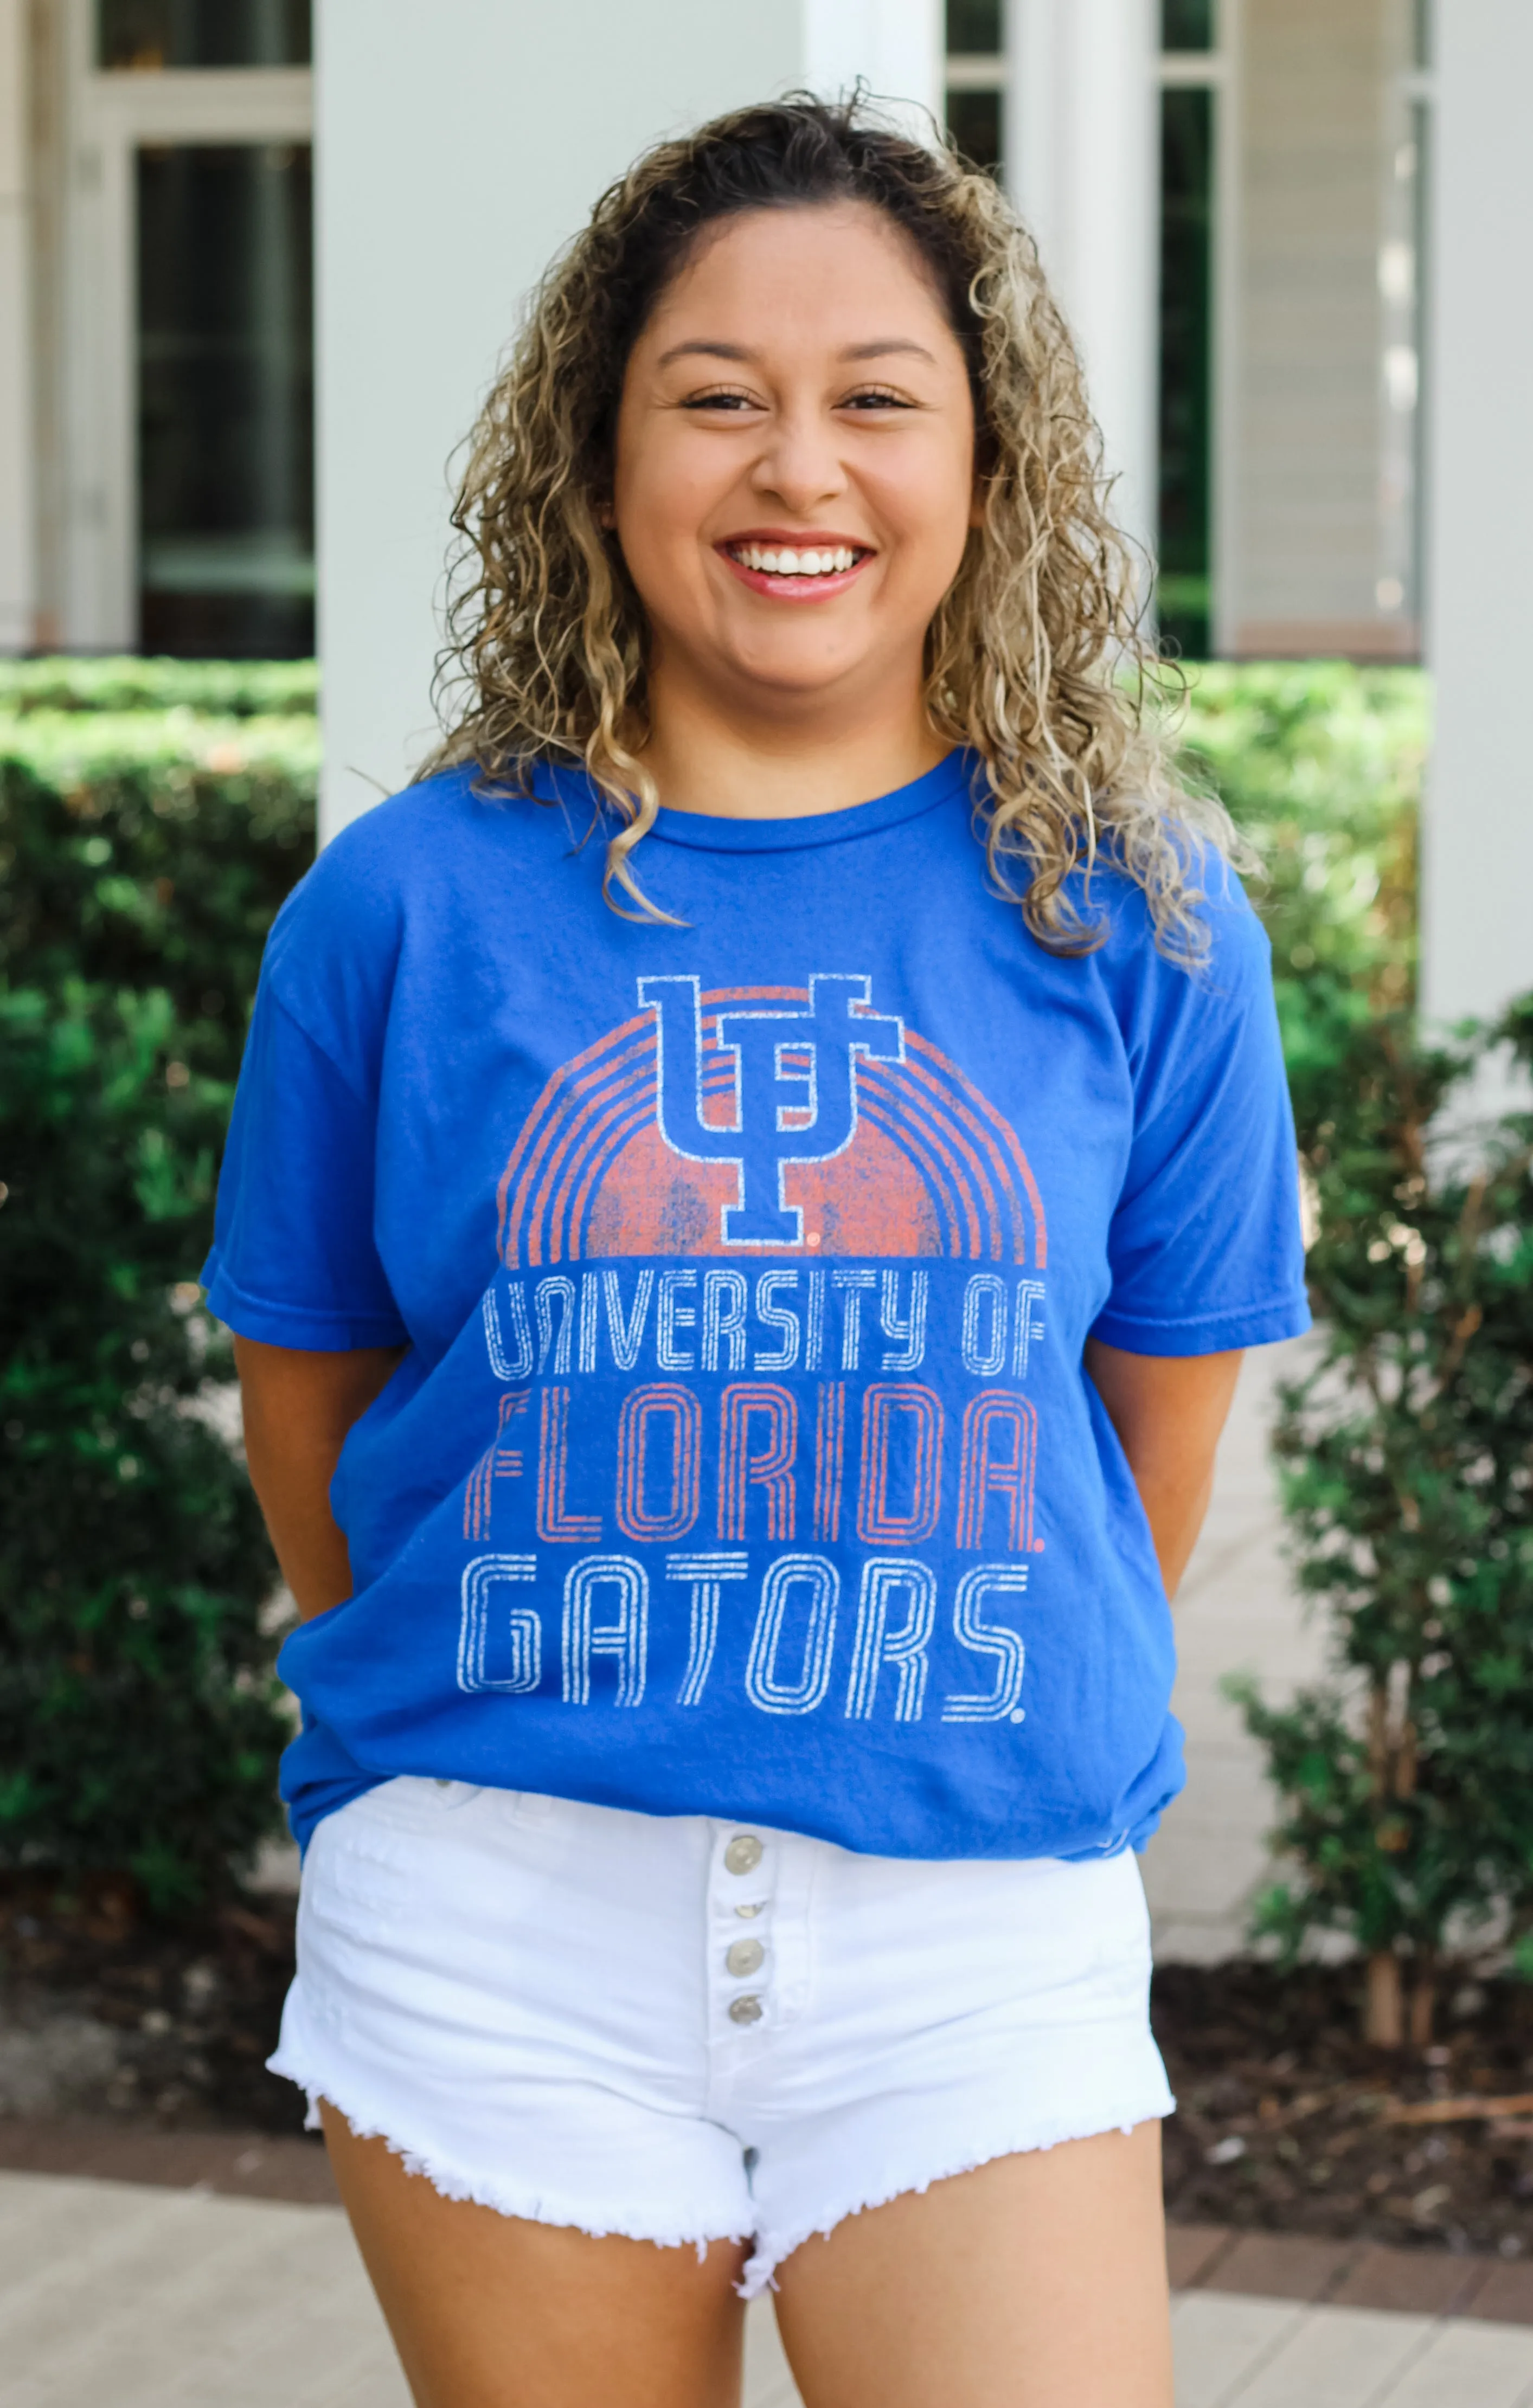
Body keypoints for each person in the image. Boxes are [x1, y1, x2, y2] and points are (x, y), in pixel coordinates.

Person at [208, 96, 1308, 2408]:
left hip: (970, 1927)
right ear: (600, 469)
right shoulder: (398, 909)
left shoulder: (1142, 921)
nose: (795, 468)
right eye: (715, 399)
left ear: (983, 469)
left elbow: (1135, 1454)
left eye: (874, 401)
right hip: (502, 1921)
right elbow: (311, 1405)